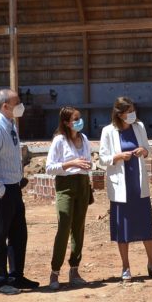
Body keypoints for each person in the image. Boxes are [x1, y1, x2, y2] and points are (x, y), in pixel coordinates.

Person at [0, 88, 39, 295]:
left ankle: (15, 276)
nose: (21, 106)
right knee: (0, 235)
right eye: (17, 103)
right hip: (0, 189)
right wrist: (1, 191)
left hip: (12, 187)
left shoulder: (10, 124)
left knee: (18, 234)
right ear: (5, 106)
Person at [99, 97, 152, 281]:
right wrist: (118, 156)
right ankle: (125, 266)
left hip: (138, 184)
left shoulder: (139, 127)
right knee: (123, 229)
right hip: (121, 186)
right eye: (129, 111)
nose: (133, 114)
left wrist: (144, 151)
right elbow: (103, 158)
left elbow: (147, 148)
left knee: (146, 226)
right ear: (120, 114)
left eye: (133, 110)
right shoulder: (108, 131)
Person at [45, 106, 93, 290]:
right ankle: (55, 271)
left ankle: (74, 269)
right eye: (75, 119)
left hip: (82, 183)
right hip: (65, 186)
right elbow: (50, 168)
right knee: (64, 226)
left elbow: (88, 160)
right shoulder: (59, 141)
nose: (79, 121)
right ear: (66, 122)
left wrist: (88, 165)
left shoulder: (85, 139)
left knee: (78, 228)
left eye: (79, 118)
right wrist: (71, 163)